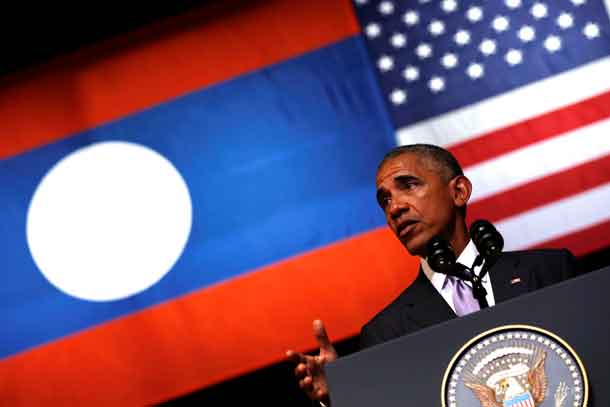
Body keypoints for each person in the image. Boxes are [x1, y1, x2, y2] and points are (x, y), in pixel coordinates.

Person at [286, 144, 578, 405]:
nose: (395, 208)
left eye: (408, 185)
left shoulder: (550, 271)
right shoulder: (386, 333)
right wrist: (343, 396)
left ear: (459, 192)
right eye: (385, 200)